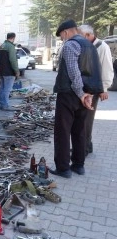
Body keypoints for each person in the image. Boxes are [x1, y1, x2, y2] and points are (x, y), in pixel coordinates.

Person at [49, 19, 103, 178]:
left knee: (63, 131)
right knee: (80, 130)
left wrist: (80, 94)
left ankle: (63, 168)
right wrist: (89, 94)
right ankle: (79, 165)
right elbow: (93, 71)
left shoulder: (70, 45)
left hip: (70, 94)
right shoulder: (89, 45)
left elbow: (74, 73)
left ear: (66, 32)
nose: (62, 39)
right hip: (86, 94)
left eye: (61, 36)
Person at [77, 24, 114, 156]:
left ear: (88, 35)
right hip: (86, 87)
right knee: (83, 118)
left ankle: (84, 148)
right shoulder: (87, 45)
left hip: (94, 88)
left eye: (80, 36)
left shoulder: (102, 47)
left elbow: (107, 68)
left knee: (87, 119)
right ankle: (87, 145)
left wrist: (104, 88)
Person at [0, 32, 19, 111]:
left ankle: (2, 104)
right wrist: (16, 71)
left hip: (2, 71)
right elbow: (13, 60)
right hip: (9, 72)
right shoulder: (11, 46)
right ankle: (5, 106)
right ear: (13, 38)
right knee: (7, 89)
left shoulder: (1, 46)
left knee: (2, 89)